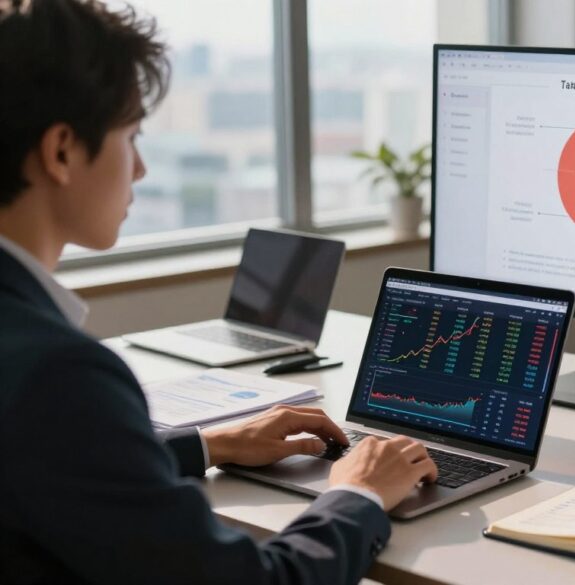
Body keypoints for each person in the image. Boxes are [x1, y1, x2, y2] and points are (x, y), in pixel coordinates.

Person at [0, 1, 437, 583]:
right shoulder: (60, 376)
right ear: (60, 151)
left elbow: (49, 466)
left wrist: (209, 445)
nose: (141, 170)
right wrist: (359, 494)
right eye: (131, 136)